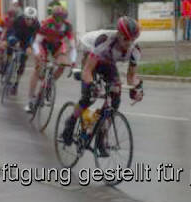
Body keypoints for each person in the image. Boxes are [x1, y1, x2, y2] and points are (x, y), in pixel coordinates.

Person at [60, 17, 143, 145]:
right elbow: (87, 71)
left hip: (108, 61)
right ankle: (70, 122)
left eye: (133, 39)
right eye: (126, 39)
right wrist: (92, 85)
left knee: (115, 98)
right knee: (89, 96)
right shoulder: (104, 41)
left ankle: (101, 134)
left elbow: (131, 77)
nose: (129, 43)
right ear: (118, 34)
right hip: (91, 53)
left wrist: (137, 90)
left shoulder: (135, 51)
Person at [25, 4, 76, 113]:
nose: (59, 21)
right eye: (56, 18)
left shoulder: (67, 26)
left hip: (57, 45)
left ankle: (50, 83)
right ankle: (30, 100)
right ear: (53, 17)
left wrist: (73, 61)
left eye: (62, 18)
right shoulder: (46, 24)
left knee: (63, 64)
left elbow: (72, 46)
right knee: (38, 67)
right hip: (43, 44)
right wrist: (38, 54)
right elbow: (36, 42)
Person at [0, 6, 40, 96]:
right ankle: (6, 63)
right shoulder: (18, 20)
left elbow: (35, 38)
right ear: (24, 17)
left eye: (31, 19)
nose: (29, 21)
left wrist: (30, 47)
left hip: (26, 42)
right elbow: (11, 31)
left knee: (22, 63)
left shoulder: (36, 25)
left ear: (34, 19)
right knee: (9, 46)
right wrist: (6, 41)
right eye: (27, 19)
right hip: (16, 36)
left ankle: (16, 84)